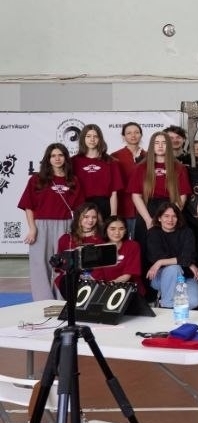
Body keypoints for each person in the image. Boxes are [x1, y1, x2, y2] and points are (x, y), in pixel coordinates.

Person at [19, 143, 83, 301]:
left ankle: (63, 299)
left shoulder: (73, 181)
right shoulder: (37, 179)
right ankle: (43, 301)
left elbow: (80, 209)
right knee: (40, 264)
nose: (57, 158)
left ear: (66, 158)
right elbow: (28, 206)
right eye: (53, 156)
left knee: (64, 263)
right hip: (41, 225)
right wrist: (32, 229)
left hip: (65, 224)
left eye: (60, 155)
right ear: (48, 159)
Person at [127, 132, 191, 231]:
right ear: (152, 146)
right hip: (147, 211)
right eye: (156, 143)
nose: (160, 146)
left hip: (171, 208)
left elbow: (182, 196)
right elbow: (136, 196)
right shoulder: (140, 168)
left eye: (164, 143)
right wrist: (148, 220)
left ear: (169, 146)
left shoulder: (179, 168)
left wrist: (171, 217)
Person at [144, 202, 198, 307]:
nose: (170, 220)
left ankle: (171, 300)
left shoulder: (187, 232)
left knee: (194, 301)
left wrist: (160, 262)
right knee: (174, 268)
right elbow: (156, 257)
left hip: (185, 276)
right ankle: (166, 305)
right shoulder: (153, 233)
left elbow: (188, 257)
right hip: (160, 277)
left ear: (178, 218)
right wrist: (187, 263)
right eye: (166, 216)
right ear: (159, 218)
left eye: (174, 216)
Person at [72, 124, 121, 220]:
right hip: (81, 206)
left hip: (104, 206)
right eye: (88, 136)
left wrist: (113, 215)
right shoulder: (73, 162)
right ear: (83, 139)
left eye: (95, 136)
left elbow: (114, 192)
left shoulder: (111, 162)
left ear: (100, 139)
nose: (92, 139)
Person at [54, 202, 103, 290]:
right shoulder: (66, 239)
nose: (90, 220)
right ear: (78, 217)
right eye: (86, 217)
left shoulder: (102, 239)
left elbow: (104, 266)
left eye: (94, 217)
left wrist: (90, 278)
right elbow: (60, 266)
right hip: (71, 281)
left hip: (94, 281)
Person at [93, 216, 142, 284]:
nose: (117, 233)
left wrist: (111, 284)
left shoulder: (133, 246)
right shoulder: (99, 247)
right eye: (112, 229)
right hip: (104, 286)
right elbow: (97, 275)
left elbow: (127, 275)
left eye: (121, 229)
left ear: (125, 231)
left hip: (128, 285)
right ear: (106, 230)